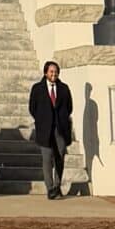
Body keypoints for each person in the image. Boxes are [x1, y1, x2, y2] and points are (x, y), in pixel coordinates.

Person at [28, 58, 76, 200]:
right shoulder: (37, 88)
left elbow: (69, 107)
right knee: (47, 159)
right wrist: (42, 119)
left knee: (59, 158)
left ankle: (57, 186)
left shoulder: (64, 88)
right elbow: (32, 108)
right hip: (45, 129)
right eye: (51, 71)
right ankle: (50, 188)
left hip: (60, 129)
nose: (53, 74)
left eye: (56, 72)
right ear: (45, 73)